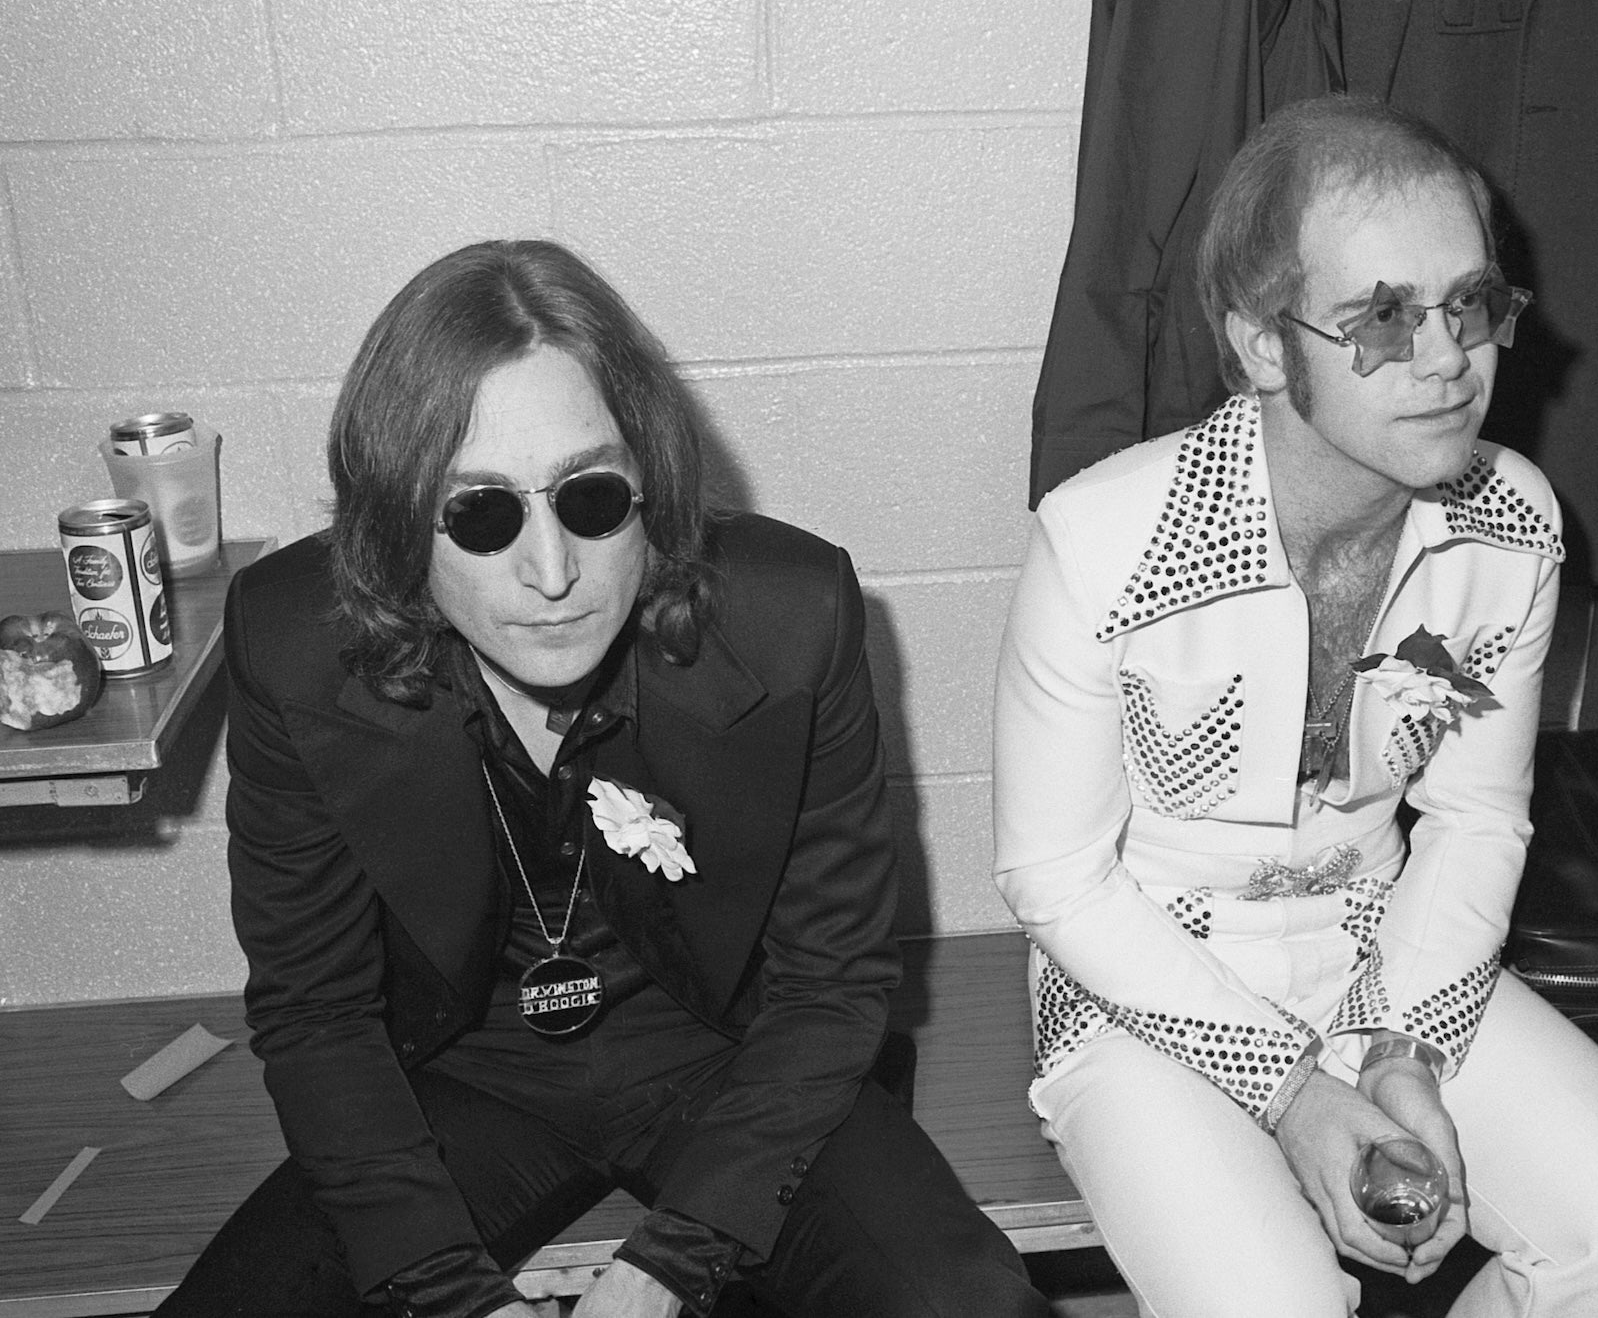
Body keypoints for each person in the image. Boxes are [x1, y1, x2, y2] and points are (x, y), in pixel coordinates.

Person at [159, 239, 1046, 1318]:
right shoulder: (294, 639)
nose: (551, 574)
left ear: (651, 484)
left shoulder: (790, 618)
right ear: (398, 523)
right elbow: (318, 1012)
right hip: (454, 1075)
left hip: (729, 1057)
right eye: (480, 513)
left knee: (967, 1303)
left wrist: (677, 1258)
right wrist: (443, 1291)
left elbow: (831, 984)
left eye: (589, 499)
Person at [993, 96, 1598, 1317]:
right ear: (1264, 346)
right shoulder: (1105, 542)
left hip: (1384, 948)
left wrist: (1399, 1049)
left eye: (1472, 304)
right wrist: (1289, 1090)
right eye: (1381, 316)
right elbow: (1057, 882)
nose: (1447, 360)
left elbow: (1475, 820)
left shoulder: (1512, 521)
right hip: (1143, 978)